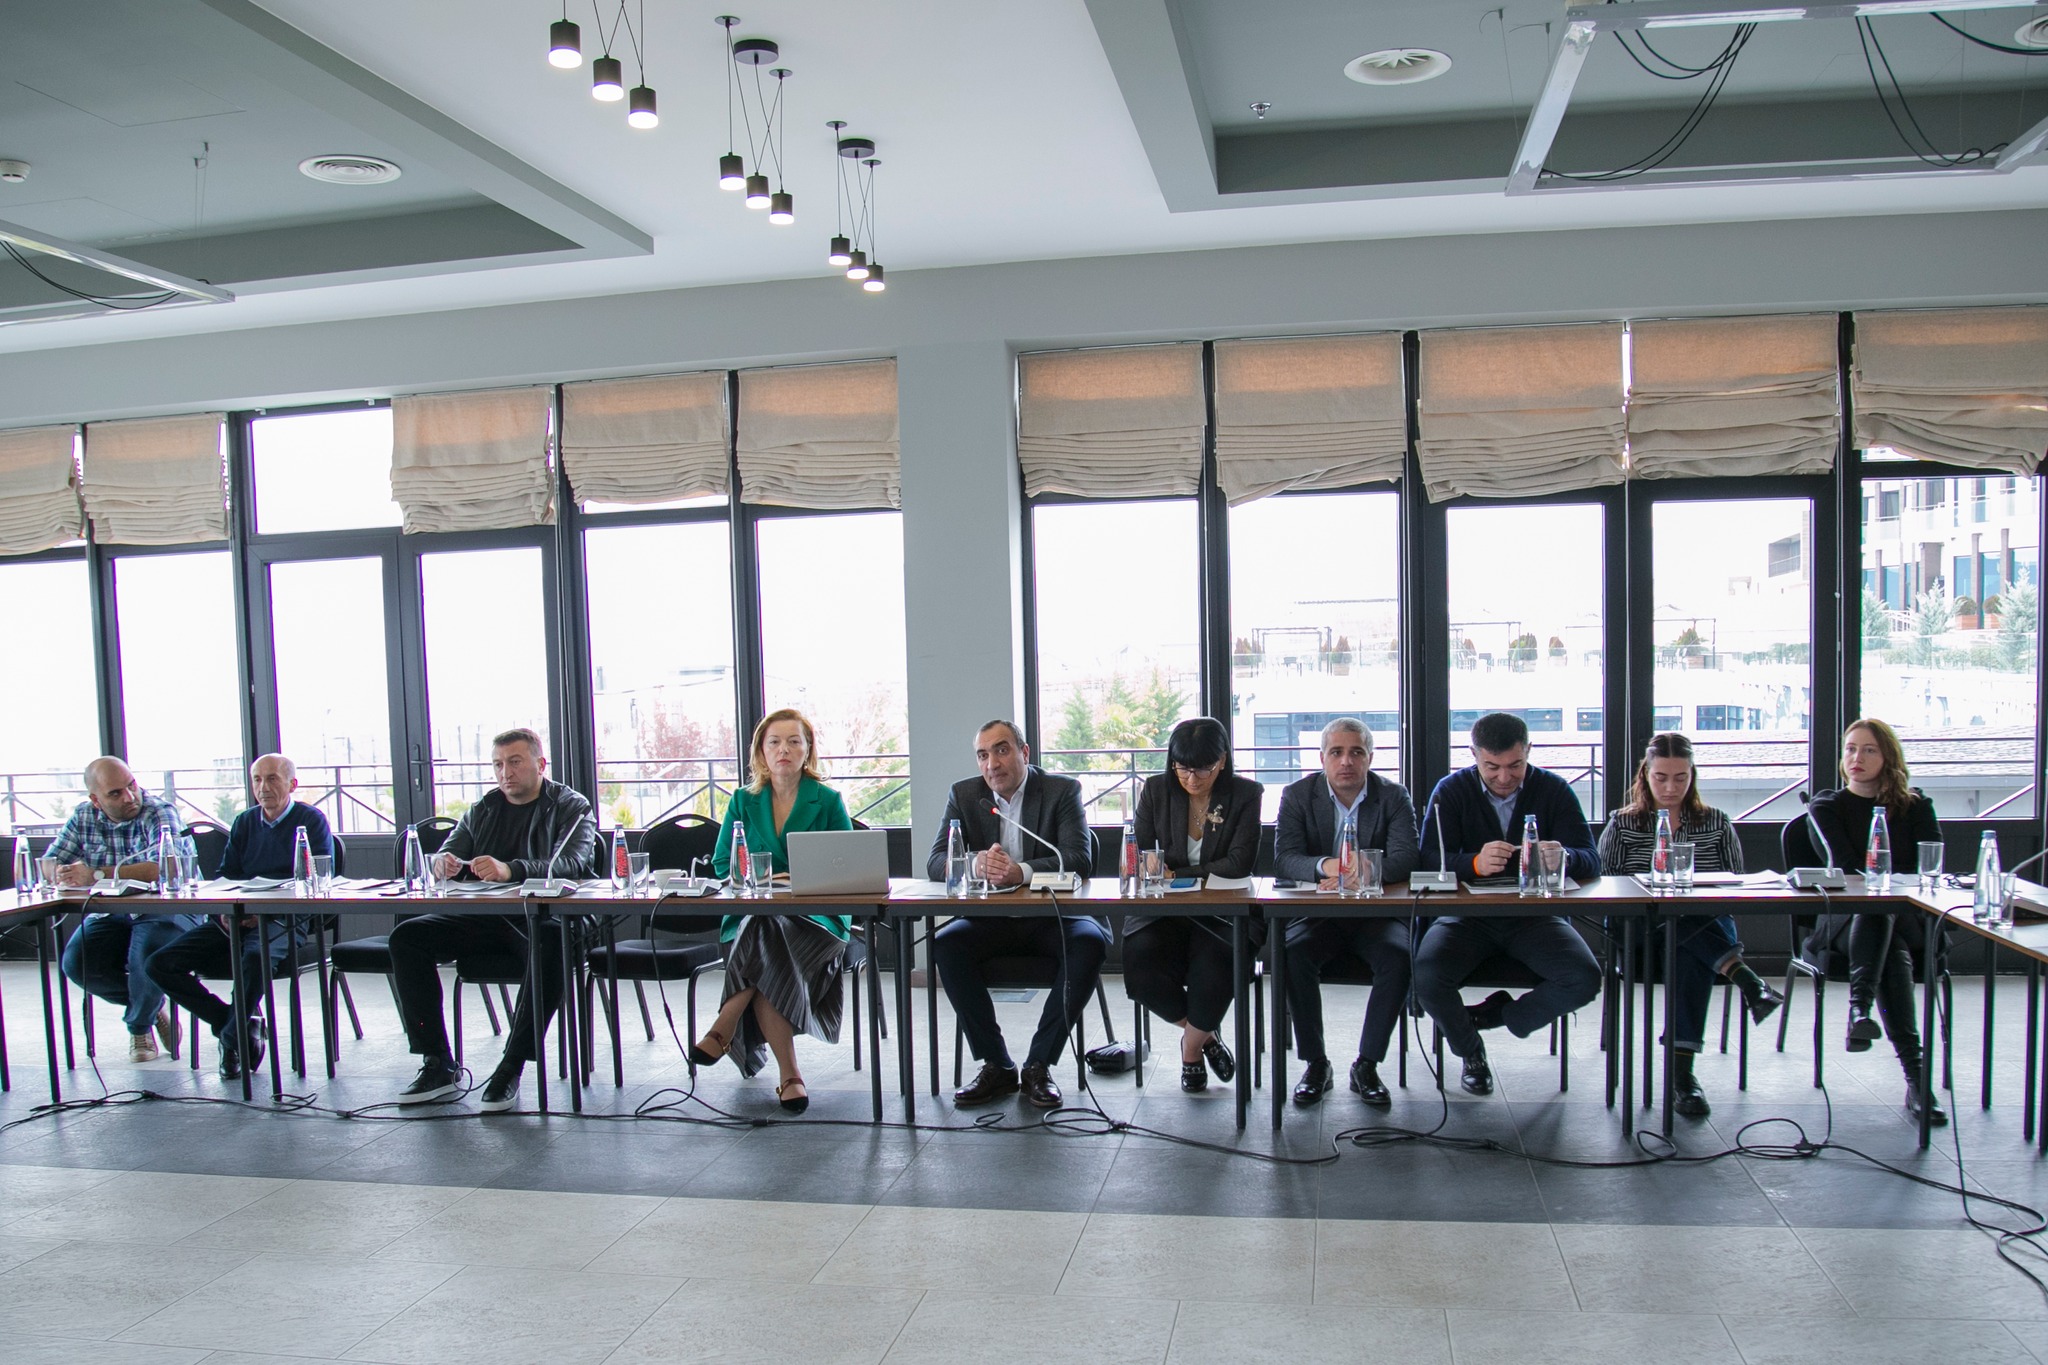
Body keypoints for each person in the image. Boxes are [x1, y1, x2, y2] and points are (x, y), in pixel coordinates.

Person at [387, 728, 597, 1112]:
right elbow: (448, 852)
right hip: (486, 917)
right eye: (498, 764)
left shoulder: (571, 806)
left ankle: (511, 1065)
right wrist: (442, 864)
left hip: (550, 918)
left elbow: (571, 863)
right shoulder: (483, 808)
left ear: (540, 764)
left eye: (514, 762)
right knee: (408, 937)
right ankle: (437, 1062)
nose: (505, 773)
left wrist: (509, 869)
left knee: (551, 941)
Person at [1413, 712, 1602, 1096]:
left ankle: (1503, 1015)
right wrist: (1473, 864)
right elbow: (1427, 860)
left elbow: (1591, 859)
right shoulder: (1451, 791)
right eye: (1492, 767)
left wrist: (1564, 856)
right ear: (1474, 756)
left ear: (1528, 751)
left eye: (1515, 765)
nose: (1504, 777)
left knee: (1584, 978)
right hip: (1464, 918)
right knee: (1425, 978)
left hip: (1535, 917)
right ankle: (1471, 1053)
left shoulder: (1553, 789)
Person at [1597, 732, 1784, 1118]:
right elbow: (1607, 887)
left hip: (1703, 930)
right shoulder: (1623, 823)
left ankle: (1682, 1076)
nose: (1670, 787)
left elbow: (1734, 884)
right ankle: (1745, 981)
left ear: (1692, 776)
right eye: (1661, 777)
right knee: (1674, 921)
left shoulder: (1715, 822)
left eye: (1680, 778)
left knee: (1689, 944)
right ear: (1646, 775)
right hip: (1641, 935)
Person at [926, 719, 1099, 1110]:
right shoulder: (964, 794)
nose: (992, 764)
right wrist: (975, 864)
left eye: (1001, 750)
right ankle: (997, 1065)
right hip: (991, 921)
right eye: (982, 755)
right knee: (947, 944)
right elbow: (935, 861)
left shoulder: (1061, 791)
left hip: (1054, 919)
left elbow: (1079, 858)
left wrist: (1020, 872)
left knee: (1089, 944)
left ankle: (1039, 1064)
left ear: (1024, 752)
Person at [693, 708, 853, 1114]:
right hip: (754, 917)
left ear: (807, 750)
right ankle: (790, 1075)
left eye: (794, 741)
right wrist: (760, 878)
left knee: (768, 932)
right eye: (775, 742)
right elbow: (721, 864)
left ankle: (725, 1022)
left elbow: (848, 865)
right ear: (761, 752)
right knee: (767, 934)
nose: (784, 749)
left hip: (816, 920)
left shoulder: (828, 800)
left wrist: (794, 878)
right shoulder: (743, 801)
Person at [145, 754, 334, 1080]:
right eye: (257, 779)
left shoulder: (310, 820)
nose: (263, 787)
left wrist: (262, 912)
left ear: (292, 784)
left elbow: (315, 880)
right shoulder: (245, 821)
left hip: (284, 919)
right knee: (158, 964)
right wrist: (224, 910)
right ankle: (233, 1023)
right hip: (237, 916)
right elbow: (226, 876)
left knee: (255, 956)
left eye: (272, 779)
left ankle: (232, 1042)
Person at [1807, 717, 1947, 1126]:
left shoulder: (1916, 806)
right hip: (1843, 923)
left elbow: (1928, 866)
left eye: (1869, 750)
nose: (1857, 757)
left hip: (1907, 918)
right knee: (1881, 924)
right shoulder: (1826, 806)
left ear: (1888, 757)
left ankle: (1859, 1009)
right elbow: (1848, 867)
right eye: (1851, 749)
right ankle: (1918, 1080)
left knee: (1885, 922)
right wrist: (1886, 883)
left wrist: (1888, 884)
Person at [1273, 718, 1418, 1108]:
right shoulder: (1298, 795)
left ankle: (1366, 1065)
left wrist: (1363, 871)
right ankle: (1316, 1064)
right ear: (1322, 757)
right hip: (1319, 914)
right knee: (1291, 954)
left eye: (1356, 752)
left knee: (1399, 957)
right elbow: (1284, 858)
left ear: (1370, 757)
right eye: (1336, 752)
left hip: (1376, 915)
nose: (1346, 762)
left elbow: (1408, 857)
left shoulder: (1393, 796)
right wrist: (1327, 867)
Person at [1123, 717, 1263, 1093]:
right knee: (1140, 967)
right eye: (1182, 768)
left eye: (1203, 769)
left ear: (1222, 760)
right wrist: (1149, 865)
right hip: (1164, 911)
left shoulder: (1245, 794)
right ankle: (1206, 1037)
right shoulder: (1156, 790)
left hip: (1223, 910)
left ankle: (1190, 1051)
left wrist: (1181, 872)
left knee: (1218, 962)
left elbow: (1239, 862)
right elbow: (1142, 851)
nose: (1192, 778)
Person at [49, 756, 197, 1063]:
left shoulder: (159, 811)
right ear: (96, 800)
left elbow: (164, 867)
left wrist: (94, 874)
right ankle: (152, 1007)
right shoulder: (83, 816)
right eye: (115, 793)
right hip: (112, 911)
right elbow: (51, 862)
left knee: (147, 950)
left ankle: (139, 1028)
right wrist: (61, 872)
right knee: (77, 963)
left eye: (132, 786)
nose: (129, 797)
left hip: (169, 908)